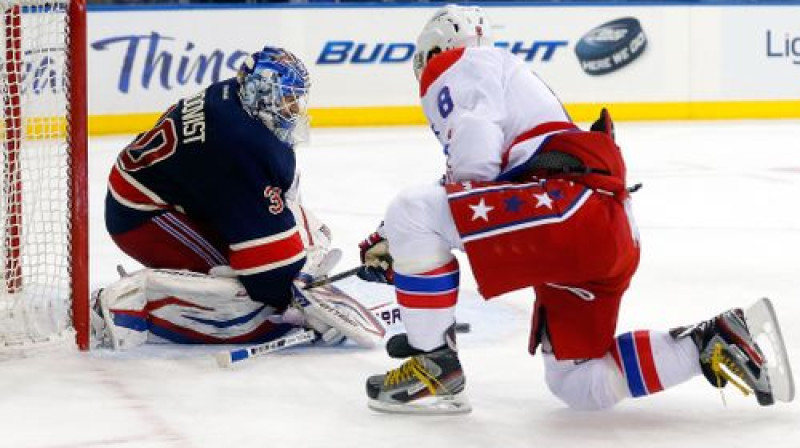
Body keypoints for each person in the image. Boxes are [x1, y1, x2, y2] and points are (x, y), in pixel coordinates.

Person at [358, 5, 794, 414]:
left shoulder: (461, 63)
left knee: (410, 210)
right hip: (606, 229)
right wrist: (407, 241)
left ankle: (433, 363)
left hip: (571, 208)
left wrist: (409, 242)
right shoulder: (511, 85)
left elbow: (476, 164)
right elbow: (476, 187)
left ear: (438, 48)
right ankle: (709, 344)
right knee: (579, 382)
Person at [94, 46, 374, 350]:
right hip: (143, 214)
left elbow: (282, 194)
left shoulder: (232, 96)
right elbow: (268, 281)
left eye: (297, 98)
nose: (294, 109)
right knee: (254, 310)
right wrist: (294, 297)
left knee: (307, 230)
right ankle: (132, 305)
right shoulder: (241, 145)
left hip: (167, 190)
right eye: (287, 97)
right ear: (262, 93)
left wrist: (296, 277)